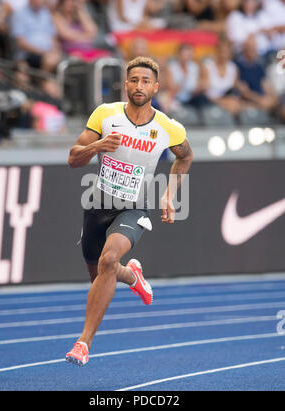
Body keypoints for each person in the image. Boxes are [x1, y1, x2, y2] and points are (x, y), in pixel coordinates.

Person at [65, 56, 193, 366]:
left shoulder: (167, 127)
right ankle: (133, 276)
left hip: (134, 207)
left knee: (109, 260)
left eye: (145, 81)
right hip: (98, 205)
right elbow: (73, 158)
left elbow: (185, 157)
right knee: (99, 273)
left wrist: (169, 195)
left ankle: (83, 343)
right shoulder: (105, 115)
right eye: (134, 80)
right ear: (126, 84)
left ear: (155, 87)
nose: (139, 86)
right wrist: (98, 146)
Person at [11, 0, 62, 72]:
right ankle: (41, 81)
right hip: (28, 55)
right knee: (50, 61)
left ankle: (43, 80)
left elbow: (53, 37)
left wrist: (56, 51)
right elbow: (20, 43)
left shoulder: (46, 13)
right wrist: (43, 52)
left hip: (47, 54)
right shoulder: (19, 14)